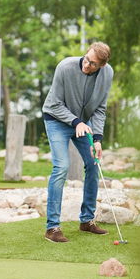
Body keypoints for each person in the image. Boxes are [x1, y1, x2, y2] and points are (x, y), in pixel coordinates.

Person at [42, 42, 114, 243]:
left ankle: (86, 221)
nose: (86, 65)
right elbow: (54, 103)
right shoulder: (65, 67)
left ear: (102, 66)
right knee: (61, 167)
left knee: (93, 163)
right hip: (56, 119)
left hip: (84, 123)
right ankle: (52, 228)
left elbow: (100, 107)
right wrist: (76, 122)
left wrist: (98, 139)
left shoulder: (107, 74)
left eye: (92, 64)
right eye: (86, 59)